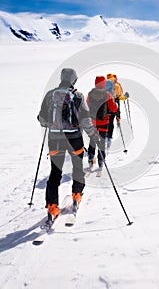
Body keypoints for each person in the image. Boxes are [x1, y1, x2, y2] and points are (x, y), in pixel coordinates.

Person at [38, 68, 98, 222]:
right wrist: (92, 134)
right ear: (73, 80)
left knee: (54, 174)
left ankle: (52, 207)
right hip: (74, 139)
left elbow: (42, 119)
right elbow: (85, 119)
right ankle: (76, 195)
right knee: (77, 168)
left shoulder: (50, 95)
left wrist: (52, 123)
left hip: (55, 140)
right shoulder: (78, 96)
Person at [87, 76, 118, 172]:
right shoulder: (107, 94)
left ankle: (91, 158)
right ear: (104, 84)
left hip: (93, 122)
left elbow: (86, 106)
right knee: (101, 142)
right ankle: (100, 160)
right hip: (104, 122)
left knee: (92, 140)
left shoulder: (90, 94)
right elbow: (114, 108)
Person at [106, 74, 129, 146]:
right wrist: (125, 97)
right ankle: (118, 120)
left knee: (108, 120)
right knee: (114, 116)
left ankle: (106, 136)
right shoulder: (116, 85)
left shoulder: (104, 84)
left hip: (106, 104)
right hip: (114, 103)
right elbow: (120, 96)